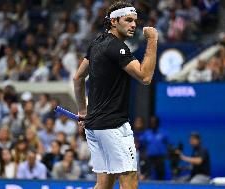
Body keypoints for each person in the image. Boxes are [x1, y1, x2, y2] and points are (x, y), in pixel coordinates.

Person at [73, 1, 158, 189]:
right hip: (112, 126)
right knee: (129, 180)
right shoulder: (117, 47)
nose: (134, 25)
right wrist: (152, 40)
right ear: (114, 21)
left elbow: (78, 78)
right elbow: (145, 77)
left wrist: (83, 111)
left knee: (104, 184)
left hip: (94, 126)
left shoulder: (96, 43)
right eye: (128, 20)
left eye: (135, 21)